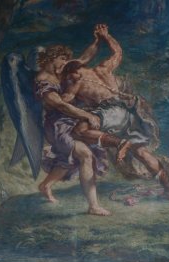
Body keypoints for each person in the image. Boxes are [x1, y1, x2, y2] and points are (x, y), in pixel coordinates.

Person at [59, 24, 169, 200]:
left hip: (110, 113)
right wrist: (106, 36)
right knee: (142, 153)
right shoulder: (103, 68)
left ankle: (120, 142)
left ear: (71, 72)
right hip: (127, 113)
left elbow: (65, 102)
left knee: (79, 131)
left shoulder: (75, 79)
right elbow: (118, 52)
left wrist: (53, 95)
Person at [34, 34, 112, 216]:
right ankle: (93, 206)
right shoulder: (42, 80)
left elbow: (84, 58)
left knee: (73, 159)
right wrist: (86, 114)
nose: (65, 63)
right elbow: (60, 105)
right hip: (57, 126)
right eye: (62, 59)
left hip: (71, 122)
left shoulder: (59, 72)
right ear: (52, 57)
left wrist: (96, 41)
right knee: (84, 155)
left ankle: (46, 185)